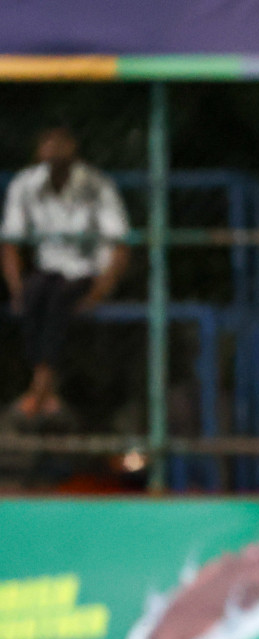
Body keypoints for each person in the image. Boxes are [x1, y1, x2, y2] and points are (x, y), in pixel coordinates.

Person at [2, 126, 130, 421]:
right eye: (47, 142)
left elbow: (120, 246)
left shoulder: (97, 185)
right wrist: (16, 290)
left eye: (61, 143)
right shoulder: (25, 184)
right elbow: (10, 243)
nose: (54, 149)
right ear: (38, 151)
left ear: (73, 148)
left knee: (60, 296)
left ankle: (39, 389)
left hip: (85, 271)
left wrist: (99, 292)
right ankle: (45, 390)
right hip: (48, 271)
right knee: (34, 293)